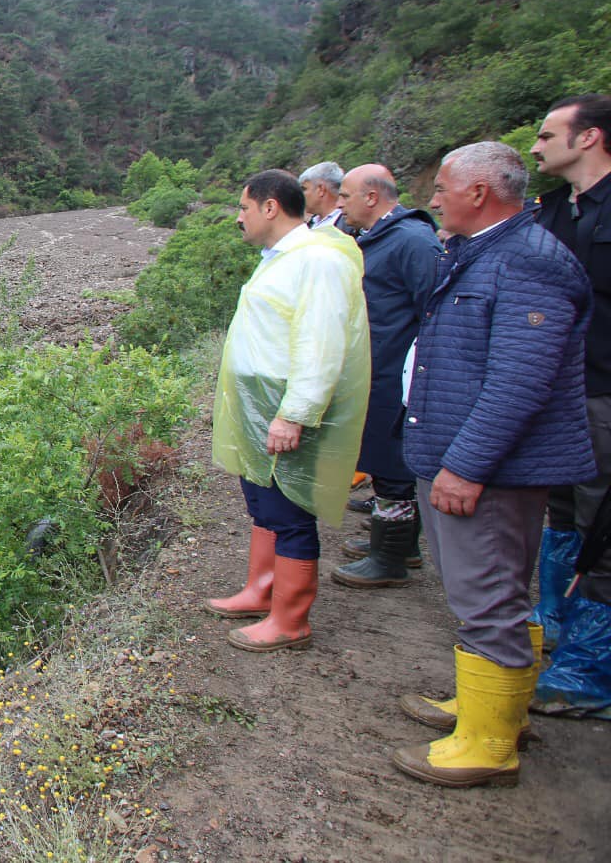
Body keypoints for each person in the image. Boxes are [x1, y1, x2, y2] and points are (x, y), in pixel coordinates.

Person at [391, 141, 595, 788]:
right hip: (458, 456)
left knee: (489, 595)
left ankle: (488, 742)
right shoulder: (481, 252)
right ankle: (494, 708)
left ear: (479, 193)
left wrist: (467, 464)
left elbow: (520, 381)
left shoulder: (529, 262)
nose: (434, 198)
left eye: (443, 187)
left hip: (488, 469)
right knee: (483, 590)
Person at [205, 170, 370, 652]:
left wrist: (294, 414)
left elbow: (321, 344)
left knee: (290, 510)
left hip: (283, 408)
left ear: (270, 207)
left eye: (243, 208)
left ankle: (291, 618)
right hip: (259, 407)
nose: (239, 217)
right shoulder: (282, 257)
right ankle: (262, 590)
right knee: (263, 502)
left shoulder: (317, 260)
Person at [527, 94, 611, 717]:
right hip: (556, 388)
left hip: (605, 391)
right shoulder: (552, 212)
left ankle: (591, 668)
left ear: (590, 138)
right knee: (557, 505)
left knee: (601, 523)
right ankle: (550, 620)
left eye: (548, 134)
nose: (536, 146)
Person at [331, 165, 442, 588]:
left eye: (346, 196)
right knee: (380, 456)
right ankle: (393, 542)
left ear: (372, 197)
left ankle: (391, 556)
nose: (340, 204)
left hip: (399, 375)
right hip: (377, 371)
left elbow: (434, 311)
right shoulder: (381, 239)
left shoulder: (412, 241)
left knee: (395, 463)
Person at [298, 161, 347, 229]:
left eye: (304, 189)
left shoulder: (349, 226)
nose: (300, 195)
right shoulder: (312, 222)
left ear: (321, 189)